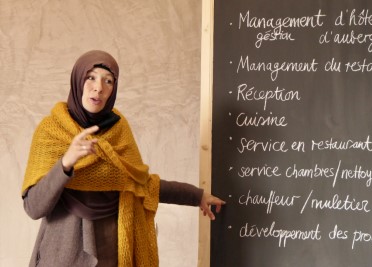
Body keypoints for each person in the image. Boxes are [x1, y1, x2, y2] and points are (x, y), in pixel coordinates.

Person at [21, 50, 225, 267]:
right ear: (78, 80)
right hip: (62, 258)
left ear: (113, 89)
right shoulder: (51, 131)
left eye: (108, 81)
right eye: (90, 77)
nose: (98, 87)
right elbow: (34, 207)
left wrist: (197, 196)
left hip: (114, 254)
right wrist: (65, 163)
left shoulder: (119, 130)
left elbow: (139, 184)